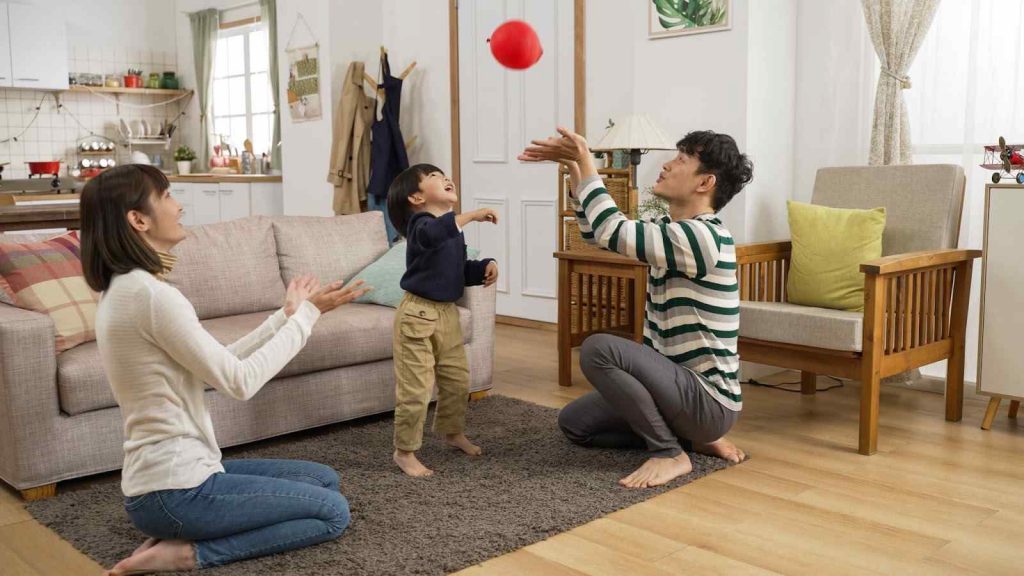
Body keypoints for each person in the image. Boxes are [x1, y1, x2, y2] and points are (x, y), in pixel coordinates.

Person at [80, 165, 371, 574]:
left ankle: (177, 532)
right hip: (175, 491)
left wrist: (286, 317)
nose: (179, 205)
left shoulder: (127, 289)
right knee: (332, 512)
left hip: (172, 482)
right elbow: (240, 381)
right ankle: (184, 554)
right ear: (138, 219)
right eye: (167, 196)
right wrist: (305, 319)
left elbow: (214, 366)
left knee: (322, 479)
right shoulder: (151, 296)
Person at [519, 127, 752, 489]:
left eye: (681, 159)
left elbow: (613, 229)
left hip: (707, 399)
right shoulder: (669, 230)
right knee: (575, 424)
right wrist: (574, 168)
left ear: (705, 182)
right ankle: (692, 440)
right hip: (676, 393)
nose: (666, 165)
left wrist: (584, 158)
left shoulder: (703, 237)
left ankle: (669, 452)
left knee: (598, 348)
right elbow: (597, 234)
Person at [385, 164, 499, 477]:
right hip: (417, 315)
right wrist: (471, 216)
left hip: (446, 314)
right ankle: (404, 451)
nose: (446, 178)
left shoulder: (452, 232)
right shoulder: (420, 226)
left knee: (457, 379)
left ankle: (452, 432)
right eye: (434, 177)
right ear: (416, 197)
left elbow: (457, 270)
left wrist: (484, 266)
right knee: (416, 389)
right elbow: (434, 234)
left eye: (445, 175)